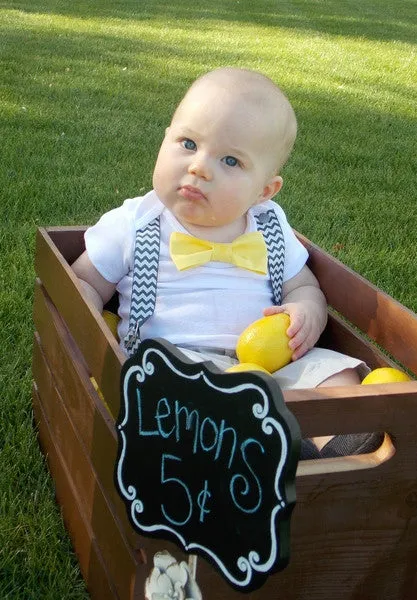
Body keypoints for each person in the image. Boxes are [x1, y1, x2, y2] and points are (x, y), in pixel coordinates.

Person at [72, 67, 381, 459]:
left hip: (270, 366)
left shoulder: (270, 226)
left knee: (338, 375)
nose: (199, 166)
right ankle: (272, 447)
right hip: (178, 370)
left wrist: (308, 312)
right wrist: (91, 338)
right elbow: (83, 281)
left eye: (231, 161)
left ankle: (332, 447)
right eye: (187, 143)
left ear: (264, 191)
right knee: (183, 403)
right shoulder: (134, 223)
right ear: (165, 137)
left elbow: (303, 285)